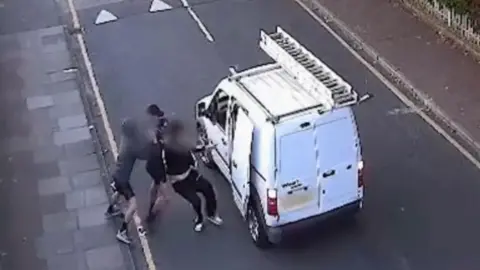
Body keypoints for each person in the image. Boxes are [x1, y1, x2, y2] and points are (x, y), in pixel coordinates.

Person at [105, 105, 164, 244]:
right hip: (123, 178)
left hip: (118, 174)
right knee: (133, 205)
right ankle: (123, 231)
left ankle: (111, 209)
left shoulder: (126, 140)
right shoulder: (132, 147)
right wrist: (154, 142)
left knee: (118, 191)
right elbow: (144, 155)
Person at [162, 119, 223, 232]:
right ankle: (200, 219)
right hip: (179, 182)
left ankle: (211, 214)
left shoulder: (181, 143)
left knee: (208, 188)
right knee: (196, 200)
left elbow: (193, 148)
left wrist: (205, 148)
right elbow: (164, 165)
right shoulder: (167, 149)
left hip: (190, 174)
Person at [144, 104, 170, 222]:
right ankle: (152, 213)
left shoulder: (155, 126)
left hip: (154, 163)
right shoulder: (159, 124)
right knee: (166, 197)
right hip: (156, 163)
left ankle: (151, 209)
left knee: (155, 184)